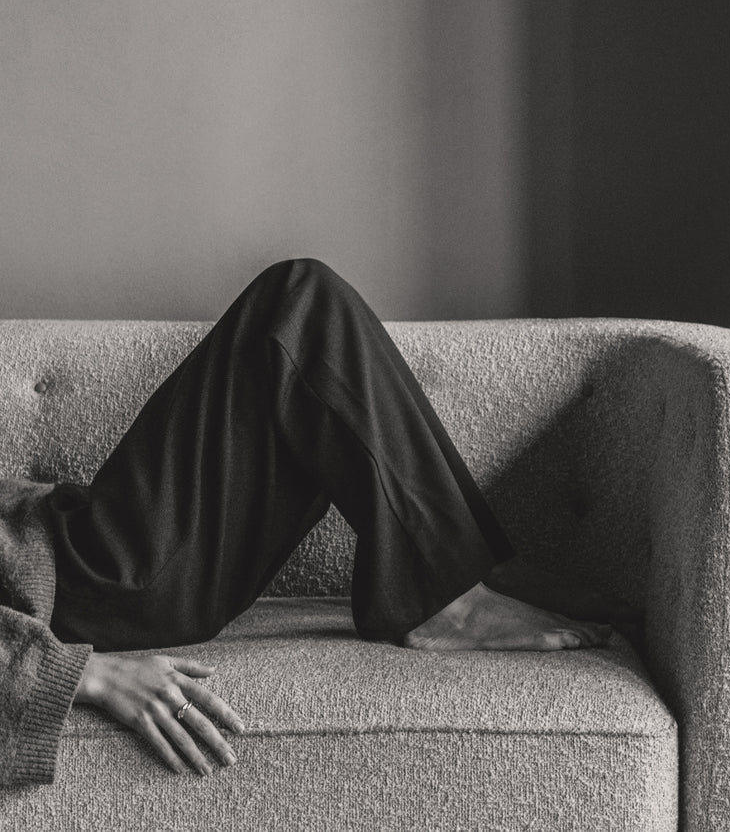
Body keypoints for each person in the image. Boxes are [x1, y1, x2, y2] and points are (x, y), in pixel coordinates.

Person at [0, 258, 635, 786]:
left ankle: (472, 568)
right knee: (297, 298)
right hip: (73, 584)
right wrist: (85, 674)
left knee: (305, 304)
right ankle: (446, 595)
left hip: (59, 535)